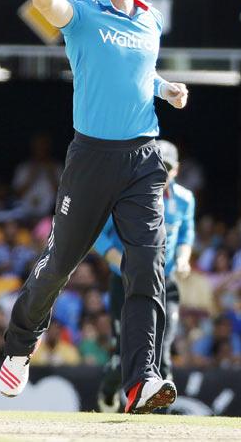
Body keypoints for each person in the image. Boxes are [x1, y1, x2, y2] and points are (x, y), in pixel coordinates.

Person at [0, 0, 188, 416]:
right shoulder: (81, 14)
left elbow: (136, 75)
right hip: (91, 159)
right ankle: (19, 344)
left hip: (144, 158)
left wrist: (164, 88)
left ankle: (141, 381)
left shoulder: (150, 21)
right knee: (60, 263)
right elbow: (43, 2)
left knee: (149, 264)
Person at [94, 139, 195, 412]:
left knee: (163, 349)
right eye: (158, 165)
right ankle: (109, 388)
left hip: (166, 281)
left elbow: (186, 233)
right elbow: (98, 236)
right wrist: (121, 261)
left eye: (168, 168)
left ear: (176, 170)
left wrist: (184, 259)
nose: (162, 173)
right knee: (124, 351)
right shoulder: (125, 193)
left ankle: (159, 417)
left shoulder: (185, 199)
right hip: (127, 282)